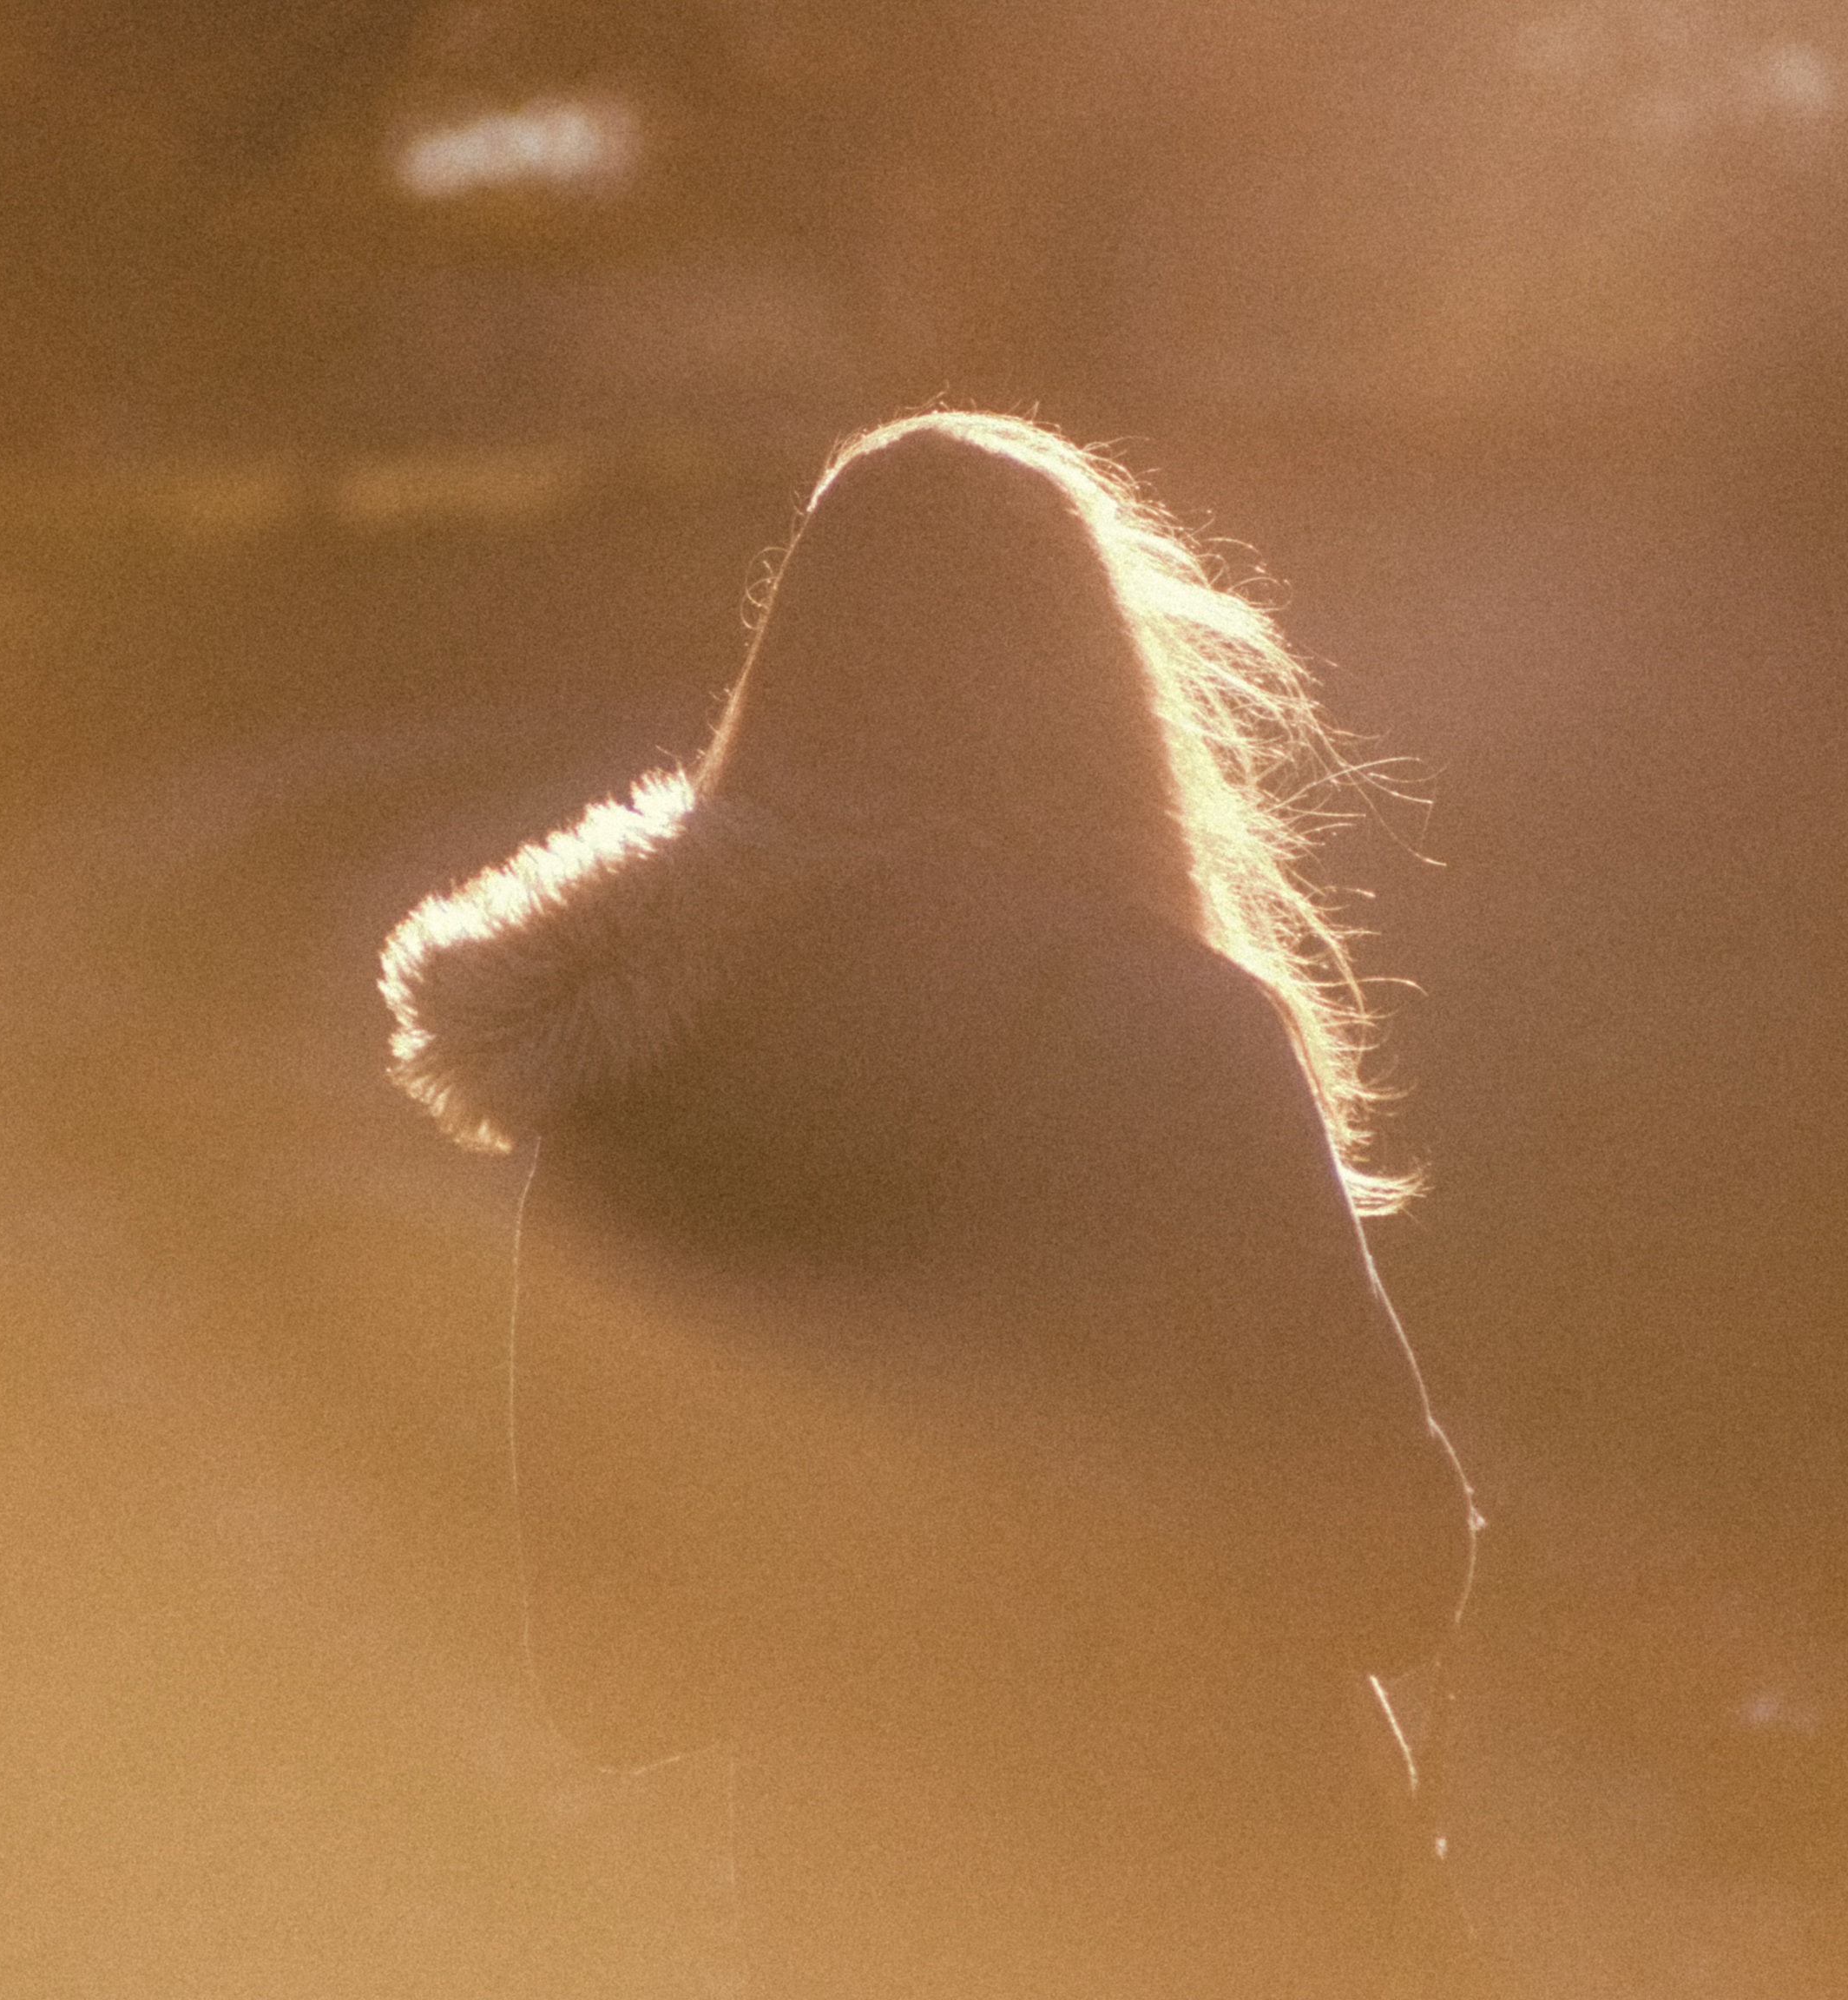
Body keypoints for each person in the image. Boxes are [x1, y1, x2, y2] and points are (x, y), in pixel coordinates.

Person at [380, 412, 1476, 1998]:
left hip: (866, 1925)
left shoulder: (638, 1080)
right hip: (1225, 1910)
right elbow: (1393, 1569)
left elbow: (610, 1680)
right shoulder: (1187, 1037)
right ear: (1103, 703)